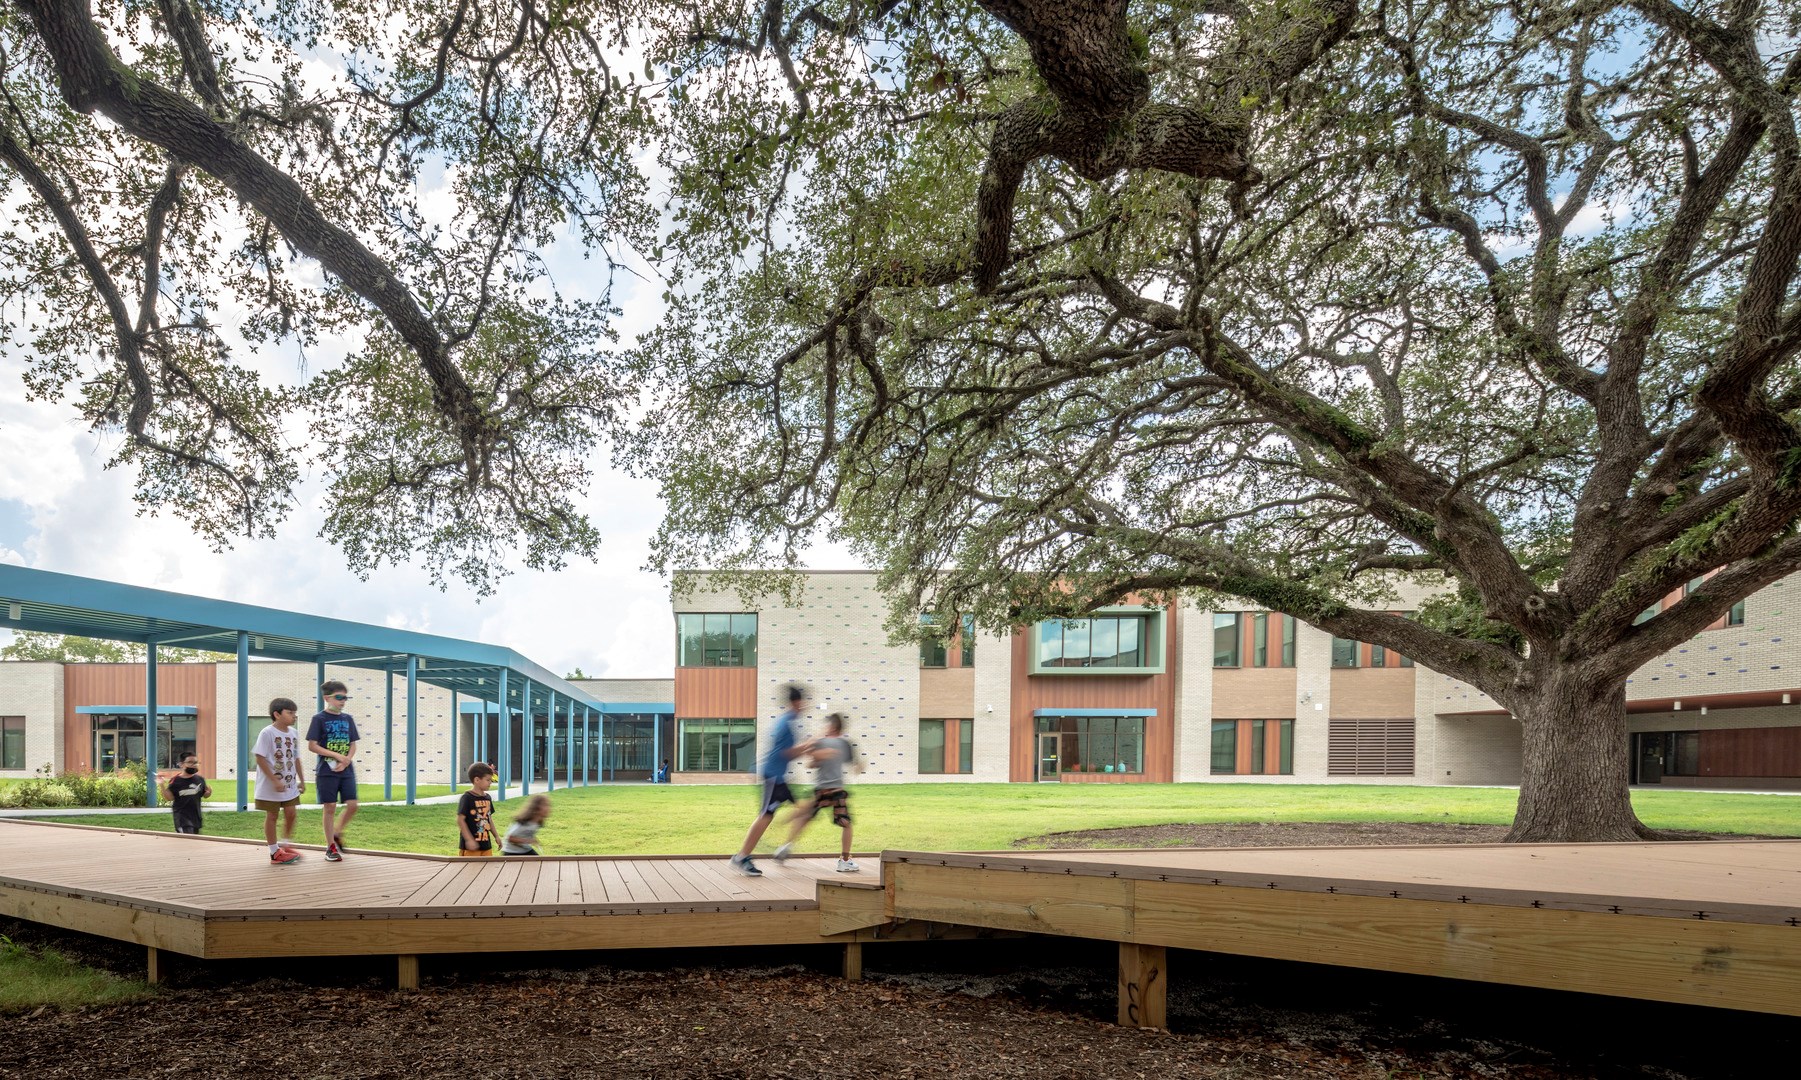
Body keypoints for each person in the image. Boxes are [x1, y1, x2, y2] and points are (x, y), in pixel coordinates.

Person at [729, 683, 816, 877]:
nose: (805, 706)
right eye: (804, 702)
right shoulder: (786, 723)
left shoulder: (788, 721)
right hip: (773, 777)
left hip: (780, 777)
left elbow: (787, 753)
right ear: (797, 702)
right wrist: (806, 747)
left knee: (806, 809)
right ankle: (741, 857)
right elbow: (785, 753)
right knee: (765, 816)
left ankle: (783, 847)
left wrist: (805, 748)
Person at [773, 712, 861, 873]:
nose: (825, 727)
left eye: (827, 724)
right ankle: (845, 860)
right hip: (836, 791)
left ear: (832, 726)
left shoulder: (820, 741)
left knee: (804, 818)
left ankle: (785, 846)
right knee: (846, 825)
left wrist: (818, 756)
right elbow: (857, 765)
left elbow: (811, 764)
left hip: (821, 790)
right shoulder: (846, 743)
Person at [306, 680, 361, 863]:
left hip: (346, 769)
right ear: (327, 698)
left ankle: (337, 833)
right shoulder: (319, 719)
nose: (343, 701)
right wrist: (336, 755)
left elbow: (353, 744)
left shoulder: (348, 719)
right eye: (339, 697)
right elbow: (312, 746)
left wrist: (346, 760)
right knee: (329, 807)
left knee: (352, 805)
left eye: (345, 697)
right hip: (326, 770)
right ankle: (330, 847)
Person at [253, 698, 306, 864]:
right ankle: (274, 852)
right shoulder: (267, 732)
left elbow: (296, 758)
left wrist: (302, 780)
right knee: (272, 816)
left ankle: (285, 844)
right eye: (290, 713)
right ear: (277, 714)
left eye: (295, 713)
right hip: (271, 785)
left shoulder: (293, 733)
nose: (294, 716)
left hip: (289, 784)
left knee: (291, 813)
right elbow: (259, 757)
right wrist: (274, 781)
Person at [162, 751, 211, 835]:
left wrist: (209, 792)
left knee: (192, 843)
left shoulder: (200, 779)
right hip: (182, 818)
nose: (194, 764)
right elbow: (169, 798)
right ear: (181, 764)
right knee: (189, 839)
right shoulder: (175, 780)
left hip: (196, 818)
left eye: (195, 762)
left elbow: (205, 795)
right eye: (190, 762)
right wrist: (161, 785)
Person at [457, 762, 499, 856]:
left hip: (486, 845)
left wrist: (496, 836)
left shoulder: (487, 798)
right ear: (477, 780)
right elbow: (460, 820)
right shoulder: (467, 797)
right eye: (488, 780)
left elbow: (489, 819)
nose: (490, 782)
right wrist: (469, 840)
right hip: (470, 848)